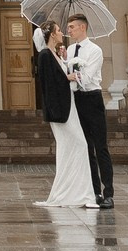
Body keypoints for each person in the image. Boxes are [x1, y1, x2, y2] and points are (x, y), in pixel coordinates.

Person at [30, 22, 93, 209]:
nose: (61, 32)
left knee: (74, 147)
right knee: (77, 145)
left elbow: (58, 75)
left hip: (68, 106)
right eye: (58, 30)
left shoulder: (55, 54)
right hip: (59, 110)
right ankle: (69, 193)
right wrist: (68, 77)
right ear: (51, 35)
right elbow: (48, 83)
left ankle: (76, 193)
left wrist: (66, 63)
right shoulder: (44, 55)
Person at [62, 14, 113, 210]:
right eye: (68, 27)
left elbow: (88, 76)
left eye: (72, 27)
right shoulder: (69, 49)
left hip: (92, 98)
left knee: (100, 147)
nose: (69, 30)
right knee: (86, 147)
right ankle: (95, 192)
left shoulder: (95, 50)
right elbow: (69, 74)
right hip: (78, 100)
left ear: (83, 27)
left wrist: (71, 75)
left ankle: (109, 192)